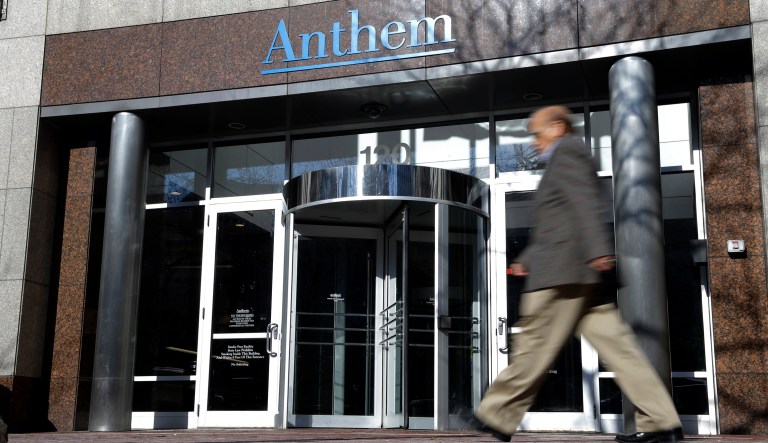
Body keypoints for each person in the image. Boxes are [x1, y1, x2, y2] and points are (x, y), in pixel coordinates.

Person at [474, 106, 683, 443]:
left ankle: (496, 414)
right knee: (620, 350)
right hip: (579, 274)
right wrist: (527, 258)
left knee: (534, 345)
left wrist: (599, 249)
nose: (534, 142)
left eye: (537, 133)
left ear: (557, 127)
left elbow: (586, 202)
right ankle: (662, 421)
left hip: (563, 276)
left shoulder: (568, 152)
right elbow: (557, 221)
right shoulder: (565, 158)